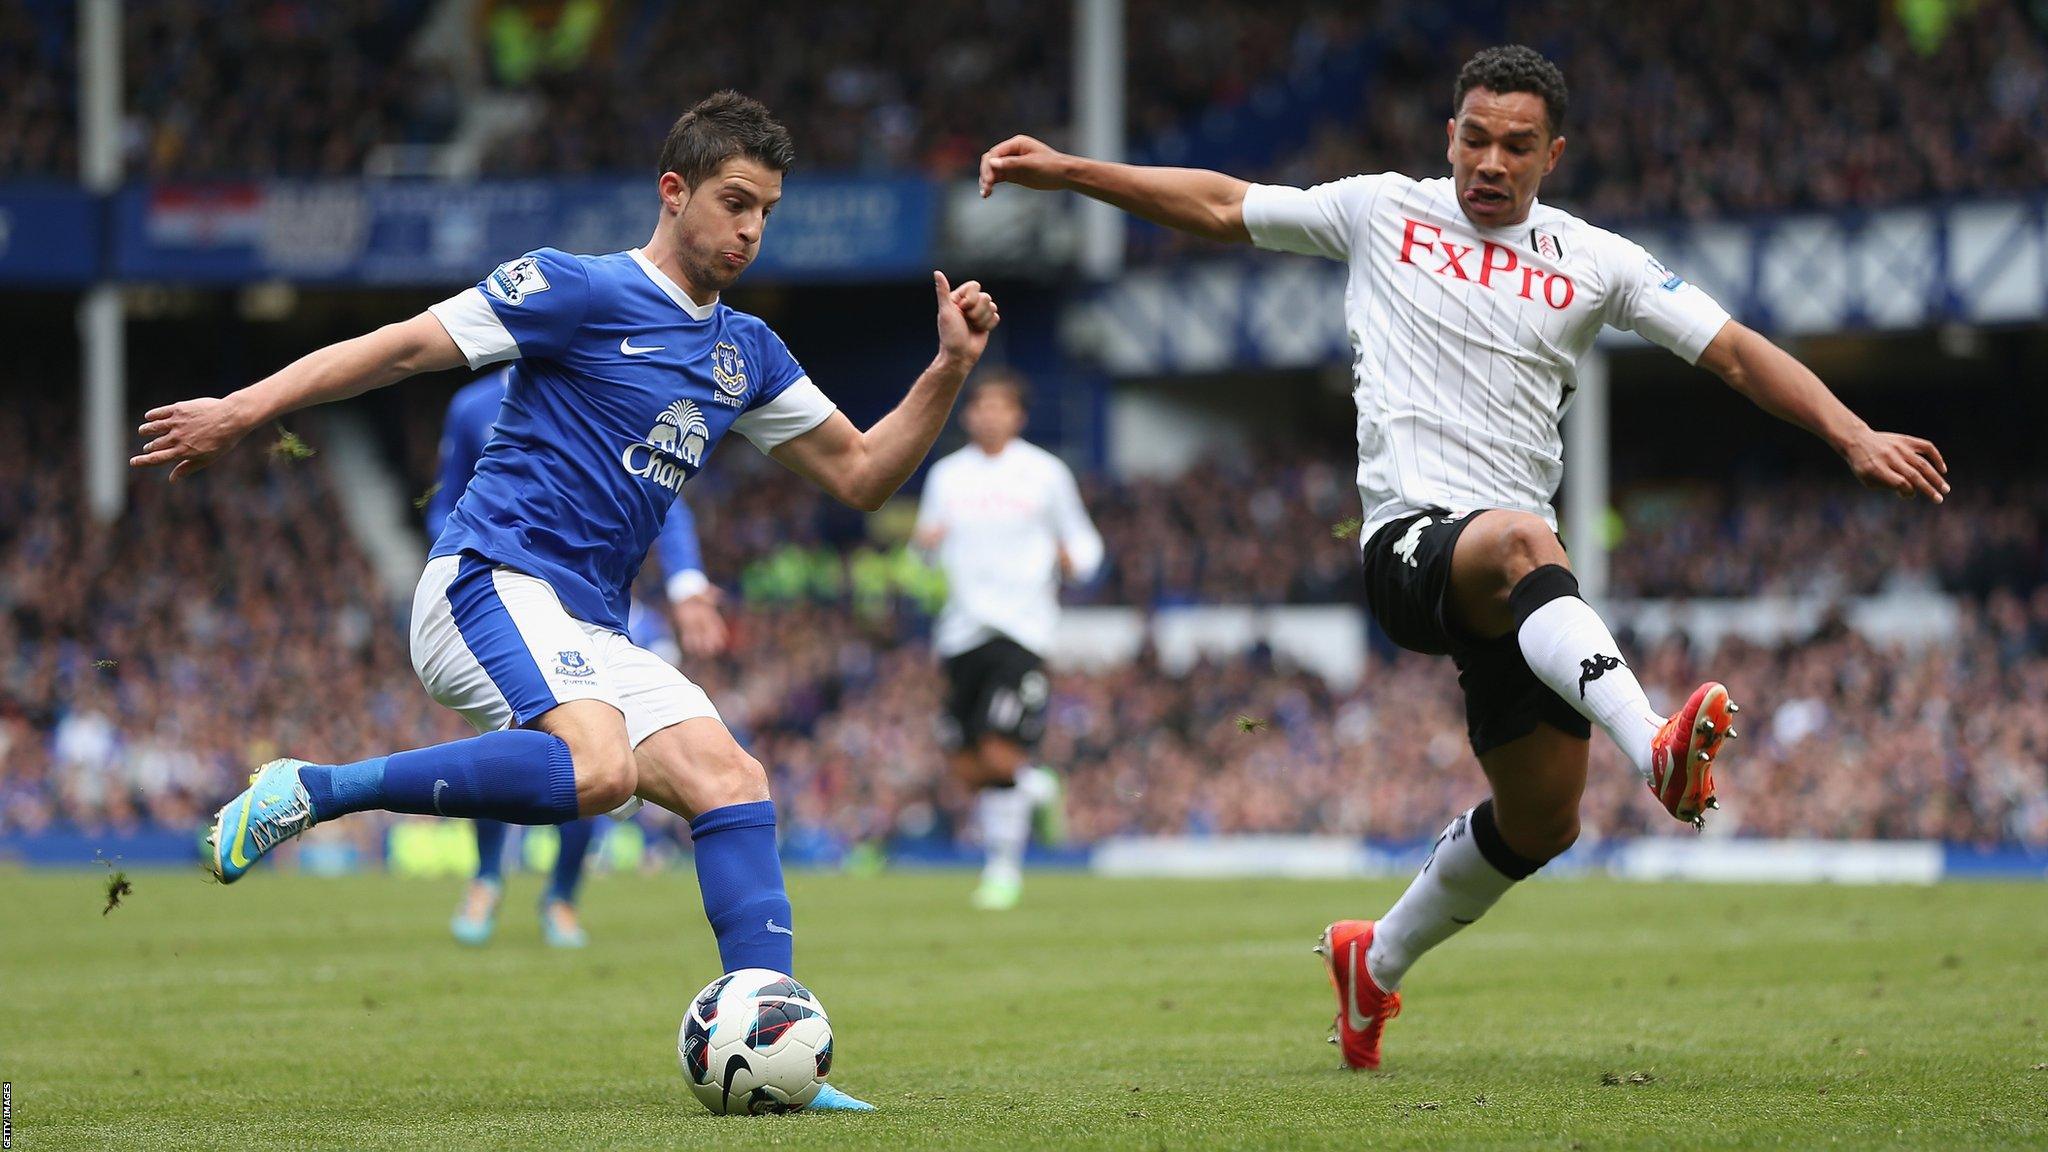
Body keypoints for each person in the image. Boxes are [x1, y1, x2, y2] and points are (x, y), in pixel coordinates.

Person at [977, 45, 1947, 1070]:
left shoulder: (1596, 260)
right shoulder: (1379, 210)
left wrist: (1849, 434)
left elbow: (1735, 350)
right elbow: (1222, 204)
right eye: (1473, 138)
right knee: (1532, 537)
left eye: (1515, 146)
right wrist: (1074, 171)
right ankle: (1656, 745)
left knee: (1540, 822)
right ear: (1448, 135)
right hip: (1410, 543)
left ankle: (1373, 961)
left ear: (1551, 154)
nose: (1489, 161)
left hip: (1520, 594)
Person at [133, 91, 1001, 1111]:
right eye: (733, 201)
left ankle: (777, 1049)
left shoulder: (746, 353)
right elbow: (403, 347)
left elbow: (858, 473)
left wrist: (947, 368)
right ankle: (316, 788)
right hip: (486, 579)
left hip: (585, 619)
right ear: (673, 193)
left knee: (731, 780)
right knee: (598, 766)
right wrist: (243, 410)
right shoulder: (573, 289)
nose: (751, 228)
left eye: (765, 209)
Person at [425, 371, 730, 949]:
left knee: (595, 749)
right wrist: (459, 553)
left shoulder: (605, 383)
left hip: (592, 604)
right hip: (502, 599)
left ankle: (561, 896)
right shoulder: (472, 407)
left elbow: (663, 491)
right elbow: (446, 501)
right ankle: (487, 877)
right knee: (505, 742)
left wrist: (688, 580)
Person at [912, 368, 1103, 910]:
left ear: (1017, 416)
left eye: (1000, 407)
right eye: (980, 407)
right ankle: (1037, 787)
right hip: (960, 631)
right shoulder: (947, 477)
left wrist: (1076, 562)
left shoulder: (1045, 474)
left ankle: (1002, 869)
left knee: (999, 754)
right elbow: (922, 554)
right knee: (966, 764)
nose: (988, 416)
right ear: (968, 414)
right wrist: (923, 547)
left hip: (1021, 629)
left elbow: (1085, 543)